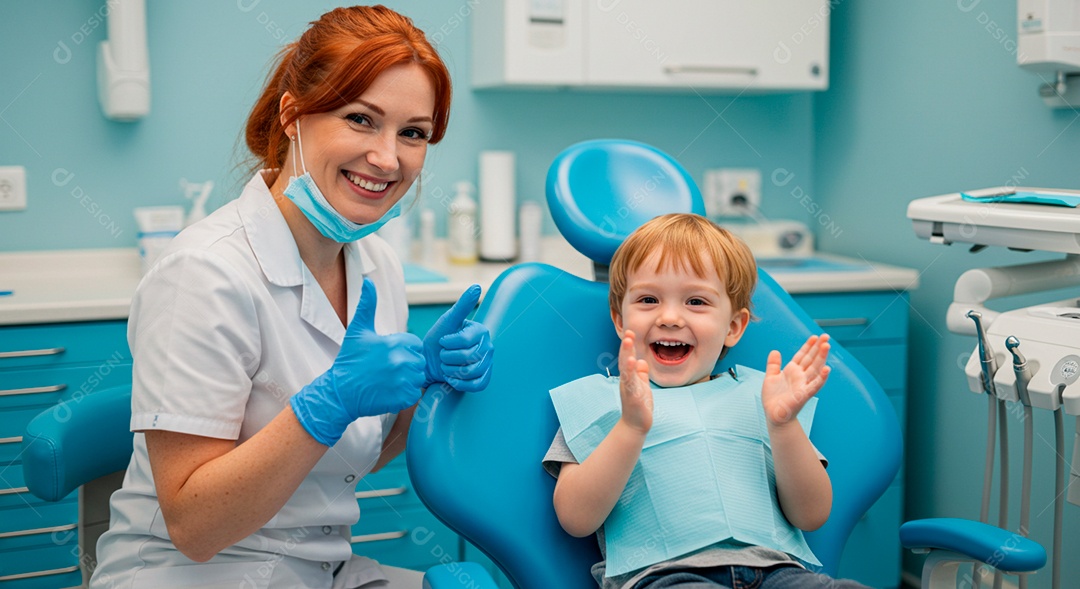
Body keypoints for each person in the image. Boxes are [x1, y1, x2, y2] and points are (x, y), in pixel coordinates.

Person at [90, 6, 493, 589]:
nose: (387, 158)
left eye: (413, 133)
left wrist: (422, 389)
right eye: (360, 119)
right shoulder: (204, 274)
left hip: (319, 570)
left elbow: (346, 462)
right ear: (293, 115)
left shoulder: (375, 264)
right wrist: (326, 403)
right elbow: (196, 528)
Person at [543, 214, 869, 589]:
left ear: (733, 327)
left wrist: (783, 427)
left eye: (696, 301)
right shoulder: (599, 401)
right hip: (667, 579)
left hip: (780, 575)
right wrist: (630, 428)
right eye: (648, 299)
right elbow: (575, 518)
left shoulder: (768, 398)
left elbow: (811, 515)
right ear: (620, 320)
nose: (669, 317)